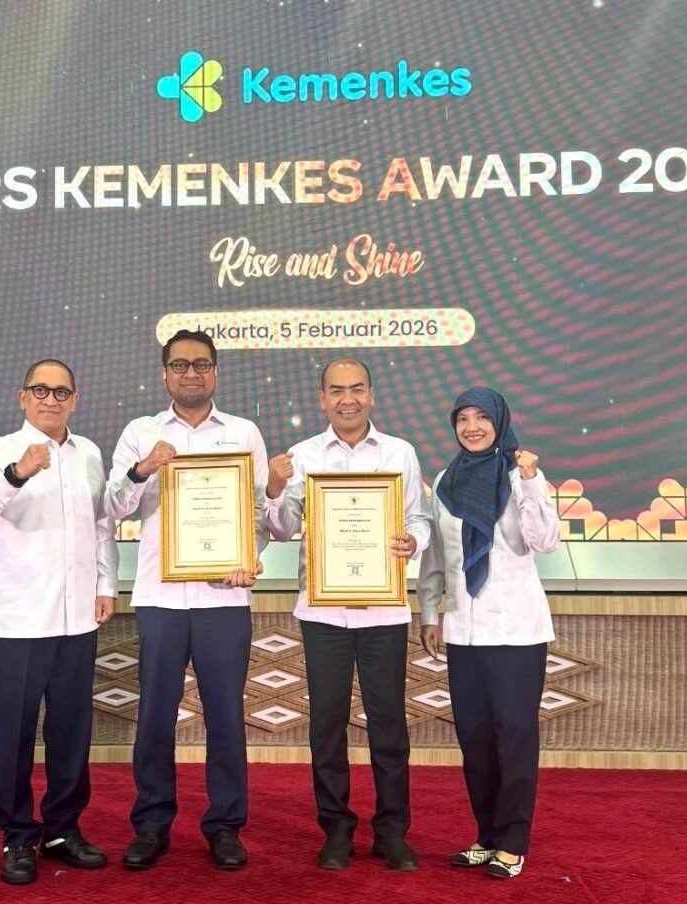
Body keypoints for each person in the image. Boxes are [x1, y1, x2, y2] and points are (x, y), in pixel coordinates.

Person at [105, 329, 268, 872]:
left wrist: (249, 555)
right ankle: (152, 825)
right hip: (160, 598)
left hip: (225, 600)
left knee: (226, 717)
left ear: (215, 371)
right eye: (180, 365)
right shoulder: (141, 432)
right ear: (165, 373)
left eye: (200, 364)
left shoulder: (243, 432)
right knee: (155, 716)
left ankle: (225, 826)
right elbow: (114, 507)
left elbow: (259, 515)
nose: (190, 373)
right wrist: (143, 468)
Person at [266, 357, 430, 871]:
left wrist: (413, 540)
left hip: (384, 610)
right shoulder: (302, 455)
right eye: (336, 390)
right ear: (322, 399)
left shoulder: (400, 452)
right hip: (323, 612)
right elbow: (282, 528)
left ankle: (392, 832)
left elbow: (419, 517)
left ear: (372, 395)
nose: (347, 399)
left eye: (357, 389)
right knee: (326, 726)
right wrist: (274, 488)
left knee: (389, 727)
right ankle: (336, 829)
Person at [0, 359, 118, 885]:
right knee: (14, 734)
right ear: (23, 397)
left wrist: (106, 584)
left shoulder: (89, 452)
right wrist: (17, 473)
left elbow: (102, 525)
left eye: (61, 392)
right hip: (20, 619)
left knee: (71, 731)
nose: (51, 399)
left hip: (77, 617)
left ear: (75, 399)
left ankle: (62, 830)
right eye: (40, 390)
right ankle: (16, 836)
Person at [417, 387, 560, 879]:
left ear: (499, 421)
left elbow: (545, 541)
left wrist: (531, 481)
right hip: (464, 630)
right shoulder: (446, 481)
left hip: (515, 630)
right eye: (463, 419)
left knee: (514, 737)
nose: (472, 427)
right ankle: (486, 836)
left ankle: (513, 842)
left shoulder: (521, 475)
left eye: (482, 417)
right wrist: (430, 611)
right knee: (474, 740)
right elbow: (438, 554)